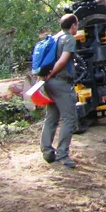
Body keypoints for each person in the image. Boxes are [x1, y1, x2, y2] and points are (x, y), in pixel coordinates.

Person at [39, 14, 79, 168]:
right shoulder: (69, 39)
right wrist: (52, 73)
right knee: (70, 118)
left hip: (49, 84)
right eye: (77, 25)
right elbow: (63, 61)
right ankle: (63, 154)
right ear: (73, 26)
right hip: (60, 83)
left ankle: (47, 150)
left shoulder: (55, 38)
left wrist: (46, 77)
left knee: (52, 117)